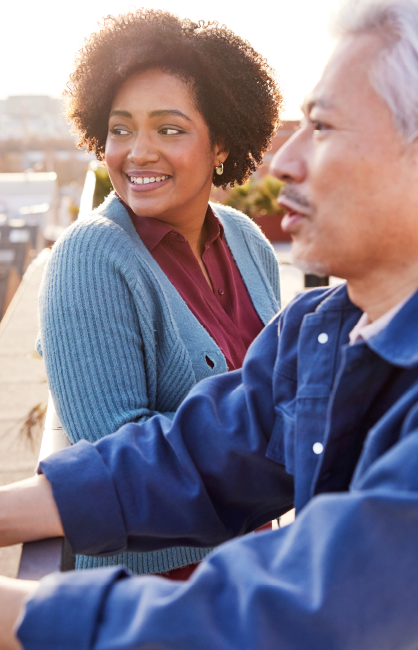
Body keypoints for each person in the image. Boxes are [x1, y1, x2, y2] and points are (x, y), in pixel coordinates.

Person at [2, 0, 418, 647]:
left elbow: (291, 620)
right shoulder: (332, 323)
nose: (282, 163)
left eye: (325, 126)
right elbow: (194, 454)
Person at [37, 10, 282, 576]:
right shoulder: (92, 255)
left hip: (254, 575)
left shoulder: (245, 239)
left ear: (220, 141)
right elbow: (118, 465)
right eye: (120, 128)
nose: (136, 152)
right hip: (154, 599)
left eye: (168, 129)